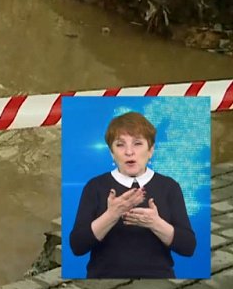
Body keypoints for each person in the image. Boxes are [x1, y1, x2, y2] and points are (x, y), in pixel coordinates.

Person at [68, 111, 196, 278]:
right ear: (112, 153)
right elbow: (77, 246)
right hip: (103, 280)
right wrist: (111, 215)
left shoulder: (169, 187)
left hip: (158, 280)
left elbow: (188, 247)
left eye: (137, 143)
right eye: (120, 145)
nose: (129, 152)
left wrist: (155, 223)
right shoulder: (95, 187)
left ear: (151, 150)